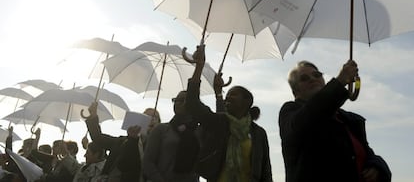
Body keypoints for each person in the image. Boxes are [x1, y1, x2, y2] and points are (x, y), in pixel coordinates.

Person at [279, 60, 392, 182]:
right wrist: (340, 81)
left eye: (317, 75)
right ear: (295, 92)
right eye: (304, 78)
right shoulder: (290, 112)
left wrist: (376, 167)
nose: (312, 79)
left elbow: (368, 153)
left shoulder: (349, 120)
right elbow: (306, 120)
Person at [186, 45, 273, 182]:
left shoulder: (259, 133)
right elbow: (192, 104)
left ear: (247, 101)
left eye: (233, 94)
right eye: (228, 95)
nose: (228, 98)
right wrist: (199, 67)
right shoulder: (219, 123)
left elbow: (265, 169)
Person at [85, 102, 154, 182]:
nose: (151, 120)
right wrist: (93, 116)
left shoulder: (159, 147)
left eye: (154, 117)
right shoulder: (122, 141)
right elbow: (98, 138)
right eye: (146, 117)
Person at [142, 91, 200, 182]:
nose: (179, 103)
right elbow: (148, 162)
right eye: (176, 100)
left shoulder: (198, 131)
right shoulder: (161, 129)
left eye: (183, 100)